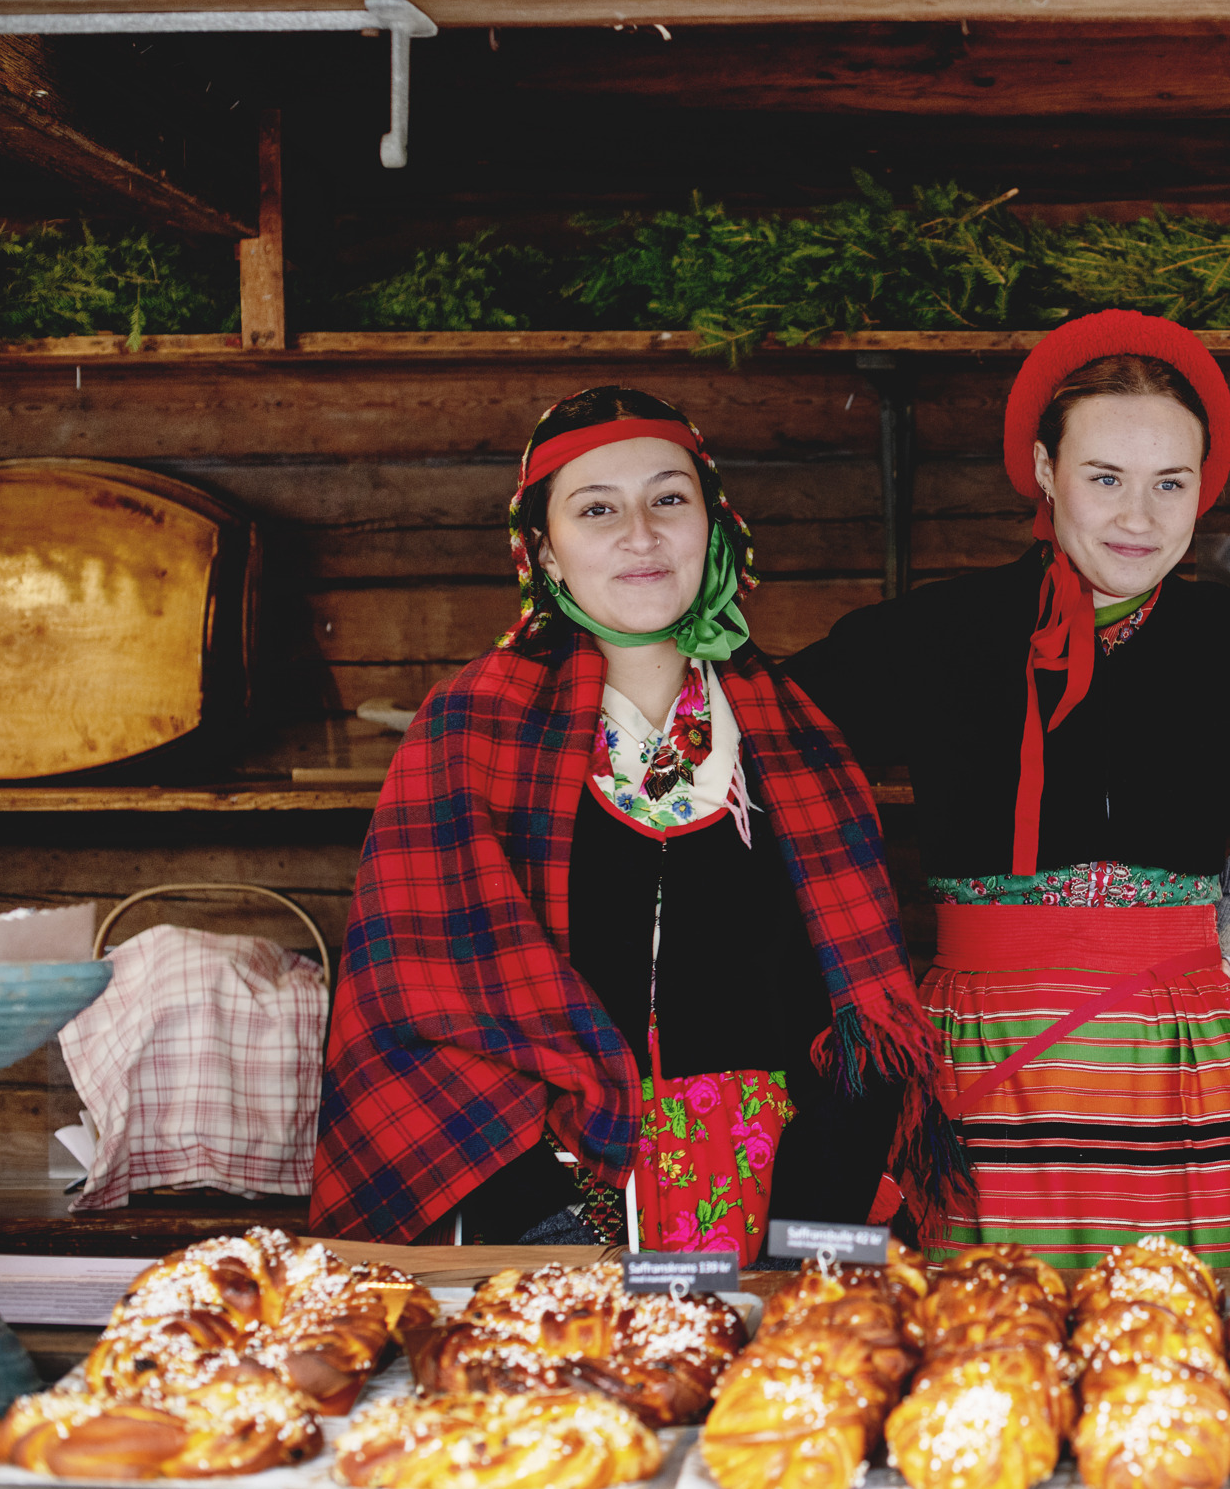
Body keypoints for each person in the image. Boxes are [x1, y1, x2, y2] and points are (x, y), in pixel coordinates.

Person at [786, 311, 1230, 1270]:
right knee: (984, 1333)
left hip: (1177, 1038)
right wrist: (858, 962)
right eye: (1105, 478)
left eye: (1169, 484)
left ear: (1203, 487)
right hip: (985, 1041)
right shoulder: (937, 634)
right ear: (1043, 467)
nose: (1138, 518)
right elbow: (783, 748)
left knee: (1190, 1334)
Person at [312, 386, 966, 1259]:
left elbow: (861, 1022)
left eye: (668, 498)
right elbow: (408, 1012)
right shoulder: (471, 729)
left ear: (714, 524)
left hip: (769, 1184)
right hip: (546, 1192)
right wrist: (556, 1224)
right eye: (597, 509)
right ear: (544, 549)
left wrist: (805, 1227)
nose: (641, 534)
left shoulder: (797, 737)